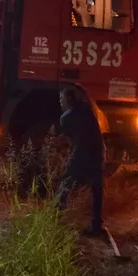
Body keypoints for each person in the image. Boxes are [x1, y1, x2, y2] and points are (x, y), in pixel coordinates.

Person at [55, 84, 106, 236]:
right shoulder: (88, 110)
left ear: (67, 100)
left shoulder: (66, 117)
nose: (60, 102)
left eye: (61, 99)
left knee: (65, 184)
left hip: (81, 155)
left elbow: (67, 139)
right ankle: (96, 225)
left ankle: (55, 219)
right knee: (97, 191)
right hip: (98, 154)